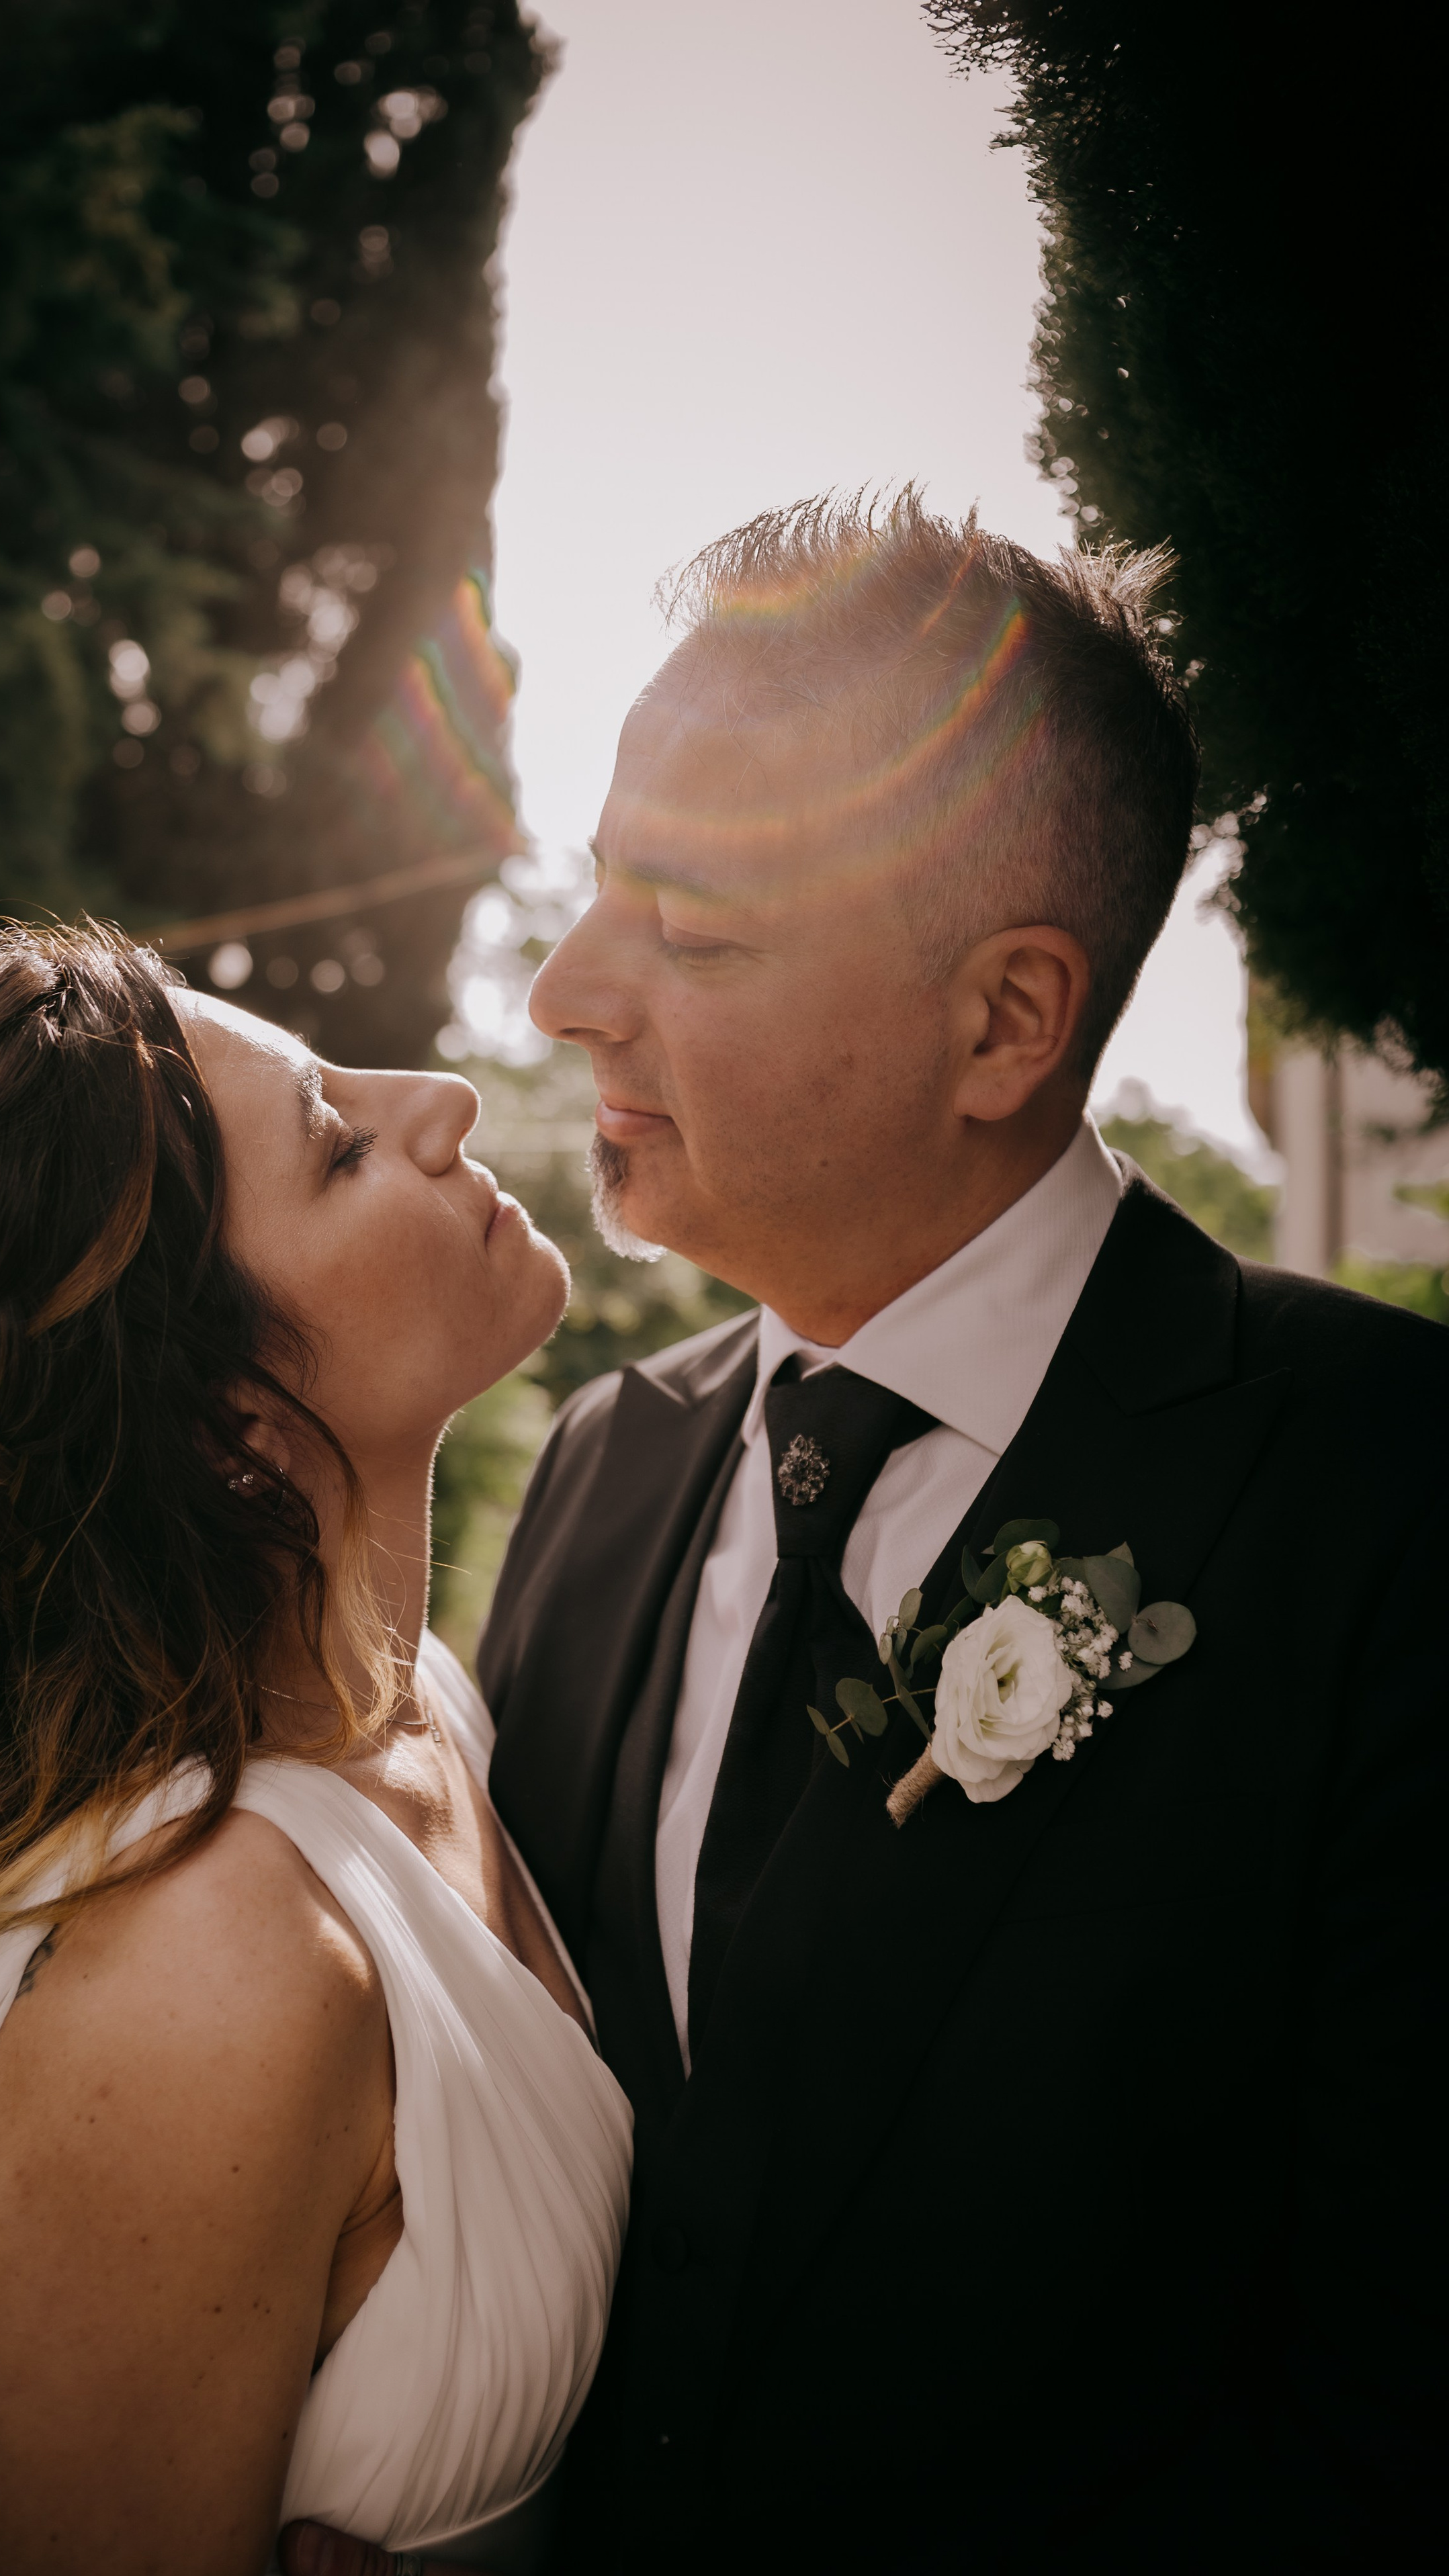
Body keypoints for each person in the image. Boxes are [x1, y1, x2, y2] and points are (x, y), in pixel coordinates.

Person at [451, 492, 1444, 2571]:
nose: (561, 994)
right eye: (594, 892)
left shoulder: (1384, 1494)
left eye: (694, 931)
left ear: (1006, 1019)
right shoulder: (604, 1470)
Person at [0, 925, 631, 2576]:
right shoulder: (205, 1972)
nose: (438, 1101)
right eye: (341, 1148)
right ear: (230, 1425)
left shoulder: (416, 1699)